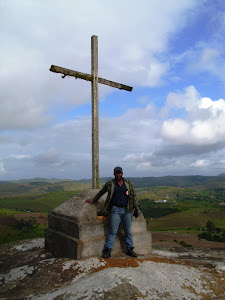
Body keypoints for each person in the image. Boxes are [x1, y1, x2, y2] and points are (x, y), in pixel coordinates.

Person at [86, 166, 139, 259]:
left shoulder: (128, 183)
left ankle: (130, 249)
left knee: (128, 231)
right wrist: (94, 200)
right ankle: (108, 250)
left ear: (122, 173)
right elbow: (101, 192)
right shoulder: (110, 184)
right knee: (113, 231)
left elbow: (133, 195)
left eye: (120, 173)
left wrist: (136, 208)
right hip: (115, 210)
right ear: (114, 174)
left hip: (127, 210)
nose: (118, 174)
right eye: (117, 173)